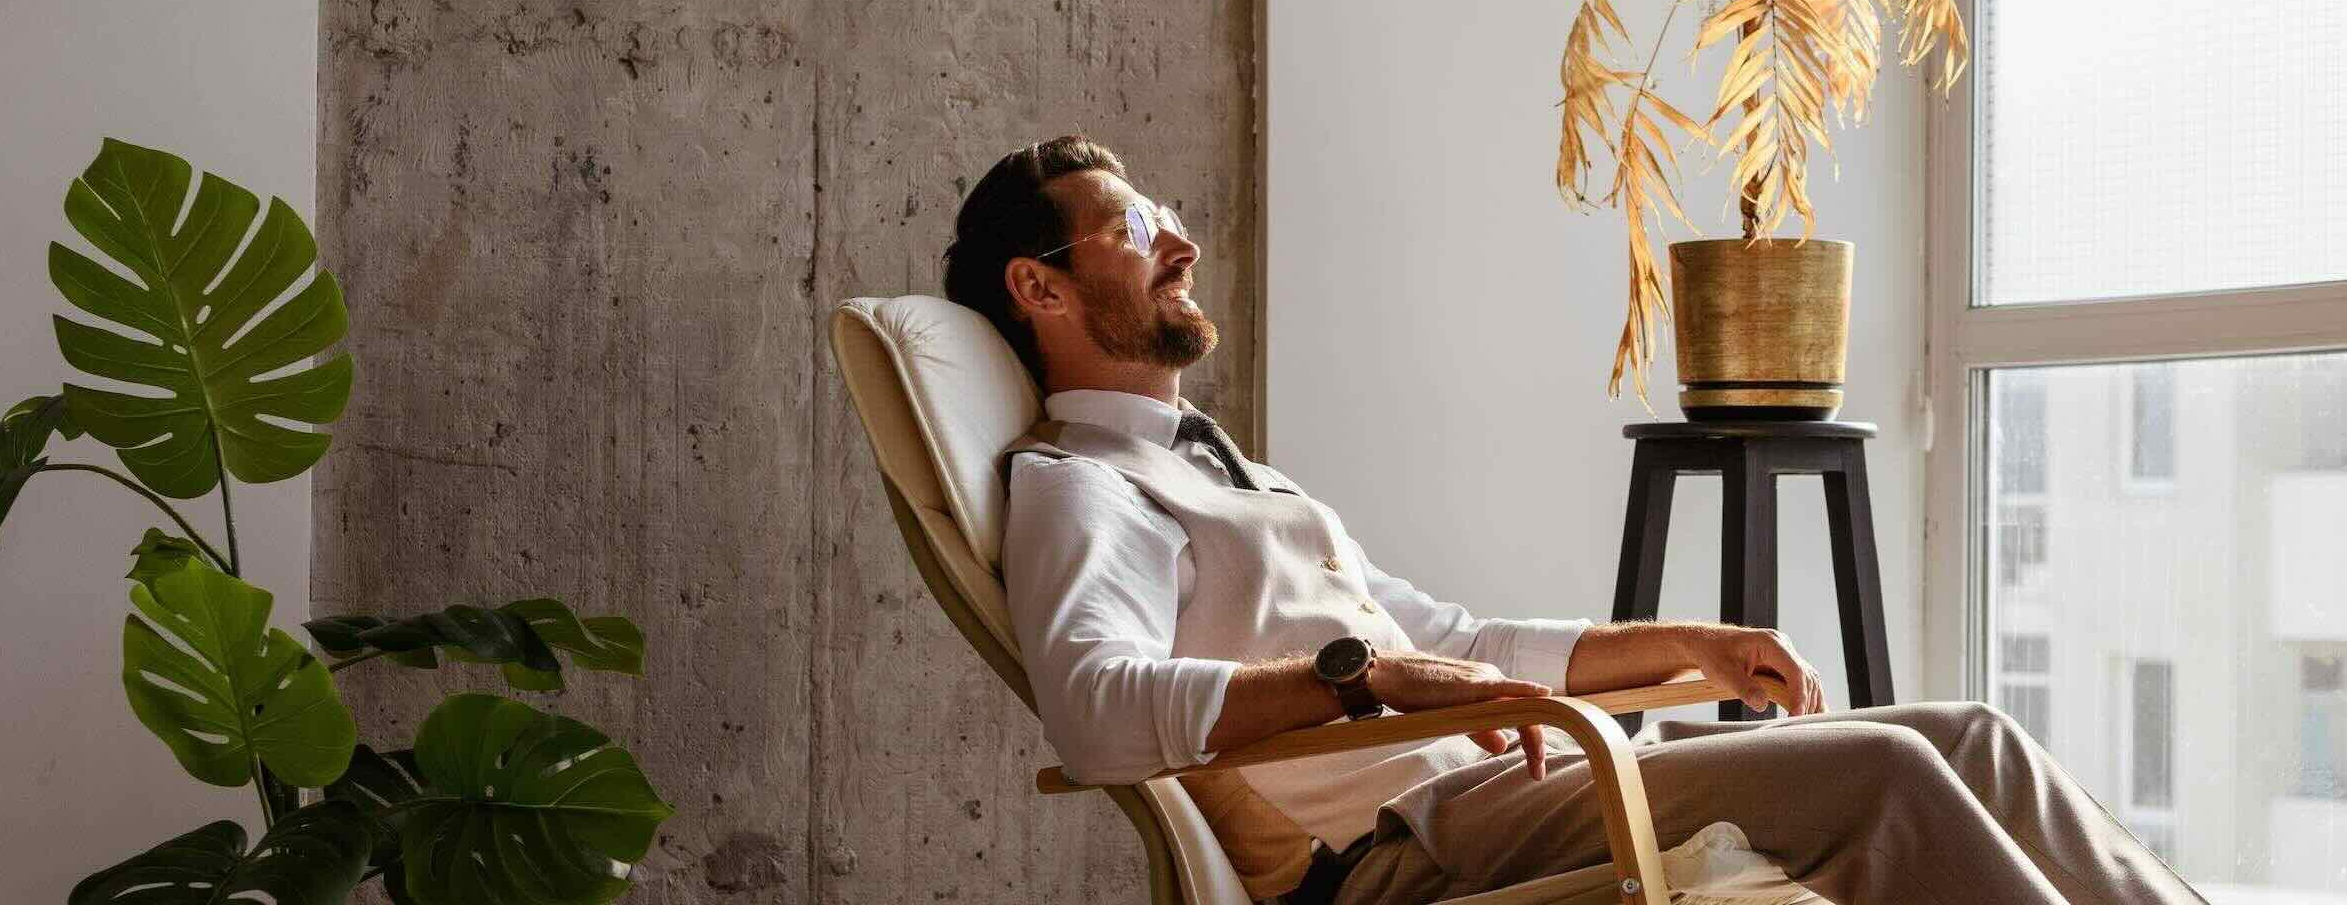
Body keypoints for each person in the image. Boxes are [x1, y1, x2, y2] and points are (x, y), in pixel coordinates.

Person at [942, 135, 2207, 905]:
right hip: (1405, 850)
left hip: (1507, 777)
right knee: (1881, 777)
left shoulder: (1235, 477)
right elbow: (1095, 709)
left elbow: (1467, 640)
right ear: (1038, 287)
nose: (1181, 239)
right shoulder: (1078, 486)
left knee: (1972, 735)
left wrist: (1692, 646)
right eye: (1130, 227)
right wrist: (1363, 675)